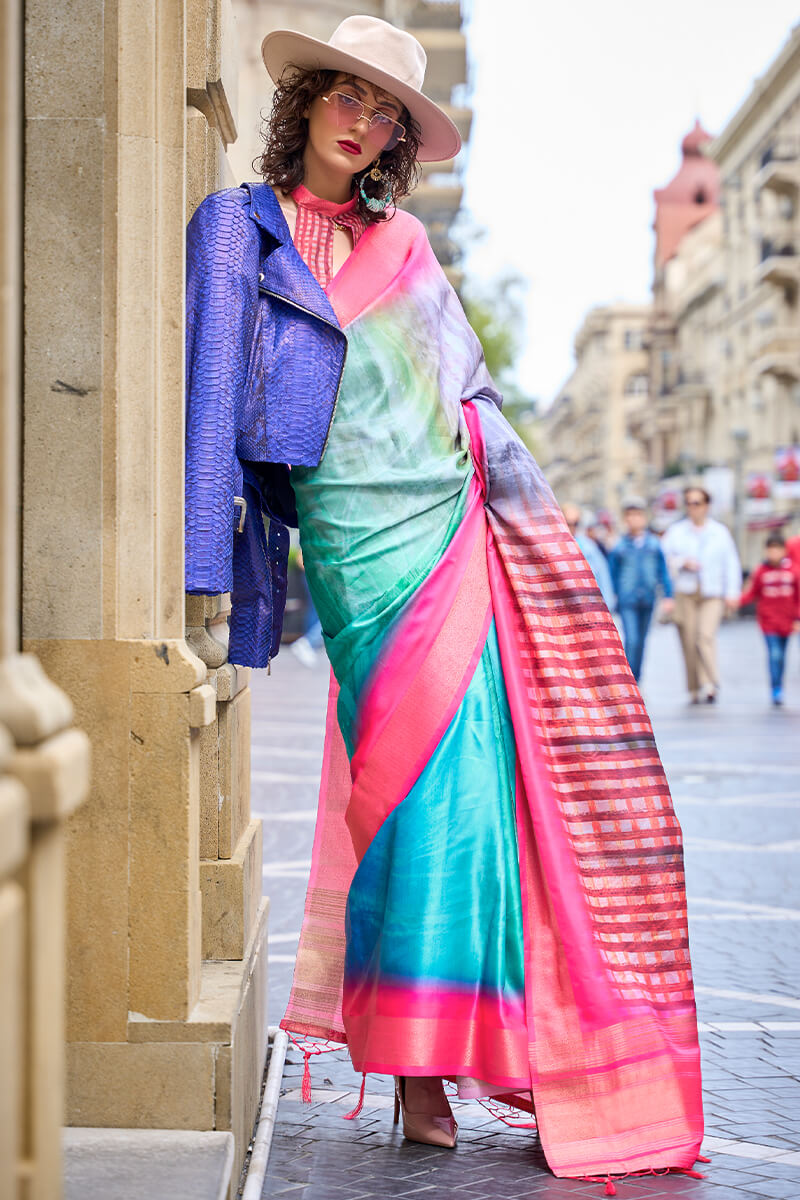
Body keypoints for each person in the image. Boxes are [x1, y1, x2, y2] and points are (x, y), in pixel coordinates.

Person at [183, 15, 703, 1182]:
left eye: (383, 115)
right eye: (344, 98)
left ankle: (431, 1069)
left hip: (451, 529)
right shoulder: (234, 228)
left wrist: (535, 524)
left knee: (460, 805)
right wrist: (209, 578)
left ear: (393, 144)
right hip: (353, 551)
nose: (359, 123)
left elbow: (464, 392)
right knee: (399, 794)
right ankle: (418, 1053)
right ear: (306, 100)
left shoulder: (407, 246)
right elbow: (212, 400)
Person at [661, 485, 742, 704]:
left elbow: (731, 563)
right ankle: (694, 686)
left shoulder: (720, 532)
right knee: (688, 640)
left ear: (706, 506)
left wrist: (732, 593)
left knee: (704, 636)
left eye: (697, 503)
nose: (692, 508)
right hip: (685, 592)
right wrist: (681, 563)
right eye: (688, 503)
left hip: (712, 592)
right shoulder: (676, 531)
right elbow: (664, 560)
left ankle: (710, 683)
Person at [608, 497, 673, 681]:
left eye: (637, 515)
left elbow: (663, 571)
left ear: (644, 518)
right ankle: (630, 679)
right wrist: (612, 596)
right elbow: (611, 574)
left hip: (648, 598)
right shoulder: (619, 547)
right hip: (627, 599)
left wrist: (668, 595)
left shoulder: (653, 545)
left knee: (642, 641)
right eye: (629, 515)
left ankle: (637, 677)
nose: (633, 519)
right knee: (632, 639)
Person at [738, 533, 800, 705]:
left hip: (787, 622)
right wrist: (737, 601)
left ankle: (779, 683)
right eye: (770, 549)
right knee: (774, 653)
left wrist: (797, 618)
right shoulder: (761, 572)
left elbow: (798, 597)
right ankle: (775, 688)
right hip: (768, 622)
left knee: (782, 656)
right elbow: (752, 593)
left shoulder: (793, 571)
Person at [561, 502, 616, 610]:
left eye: (575, 523)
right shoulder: (554, 546)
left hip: (589, 606)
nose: (572, 527)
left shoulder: (588, 546)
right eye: (568, 523)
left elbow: (602, 575)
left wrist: (607, 605)